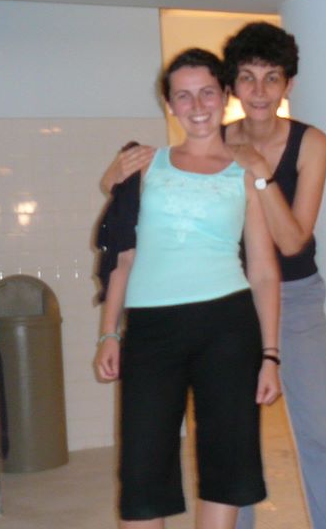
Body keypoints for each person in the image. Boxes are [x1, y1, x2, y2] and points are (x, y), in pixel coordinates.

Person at [100, 22, 326, 529]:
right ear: (231, 89)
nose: (259, 91)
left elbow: (291, 242)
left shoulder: (310, 143)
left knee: (321, 434)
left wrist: (260, 175)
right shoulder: (214, 135)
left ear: (288, 84)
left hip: (294, 294)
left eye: (272, 78)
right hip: (230, 303)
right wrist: (113, 173)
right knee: (229, 435)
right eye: (247, 77)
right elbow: (141, 195)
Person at [94, 47, 282, 529]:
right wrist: (109, 332)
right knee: (142, 469)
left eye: (207, 93)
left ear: (224, 96)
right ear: (169, 105)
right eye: (183, 96)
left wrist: (270, 355)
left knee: (228, 461)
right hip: (152, 330)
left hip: (228, 326)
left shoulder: (247, 171)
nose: (197, 106)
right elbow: (123, 258)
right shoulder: (145, 165)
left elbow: (263, 271)